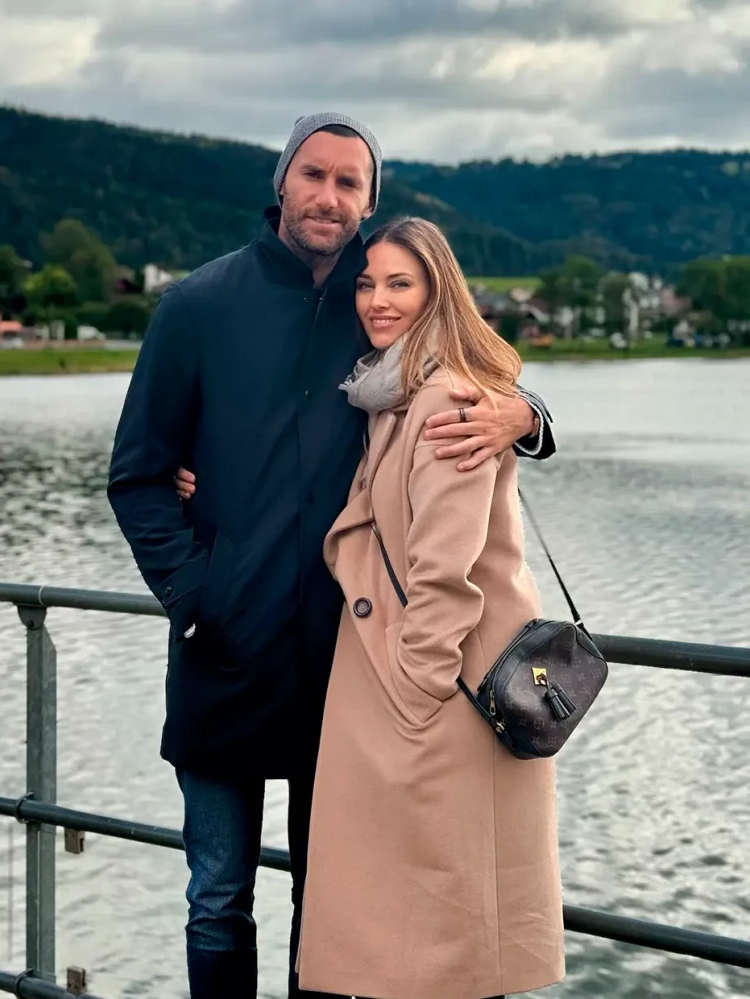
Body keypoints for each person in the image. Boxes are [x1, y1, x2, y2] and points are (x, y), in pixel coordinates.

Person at [108, 112, 556, 999]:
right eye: (314, 175)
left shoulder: (382, 301)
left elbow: (468, 368)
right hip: (223, 651)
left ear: (370, 202)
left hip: (352, 670)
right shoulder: (197, 306)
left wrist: (531, 414)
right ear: (281, 183)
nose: (330, 196)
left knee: (342, 903)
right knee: (218, 898)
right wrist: (197, 594)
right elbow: (139, 477)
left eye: (351, 183)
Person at [295, 217, 564, 999]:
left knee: (447, 948)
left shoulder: (444, 395)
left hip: (442, 704)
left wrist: (415, 692)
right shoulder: (391, 389)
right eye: (368, 281)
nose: (378, 299)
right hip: (418, 697)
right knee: (423, 943)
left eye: (399, 283)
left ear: (436, 291)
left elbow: (445, 571)